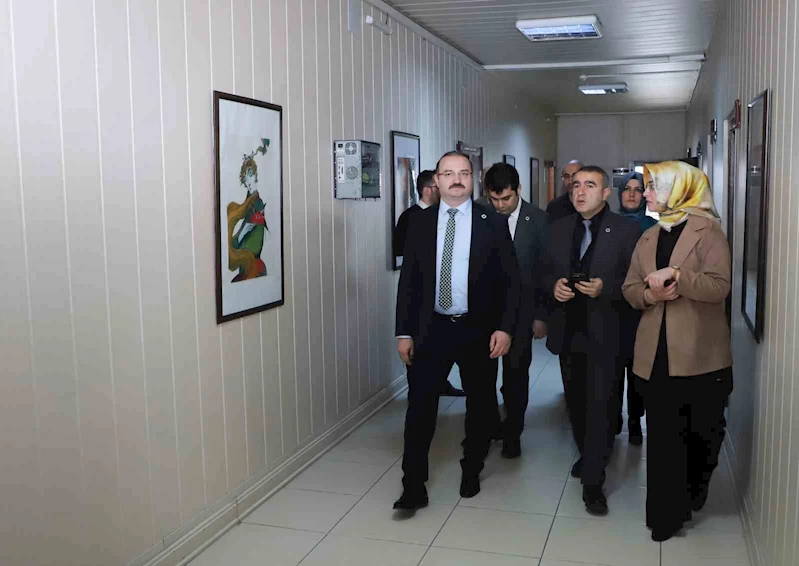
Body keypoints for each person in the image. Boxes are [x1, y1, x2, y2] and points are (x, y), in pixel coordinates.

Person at [394, 152, 520, 510]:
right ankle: (412, 486)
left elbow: (511, 282)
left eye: (463, 172)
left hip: (477, 329)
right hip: (430, 329)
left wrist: (505, 328)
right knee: (420, 408)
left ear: (473, 178)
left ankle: (472, 468)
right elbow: (409, 282)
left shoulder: (493, 222)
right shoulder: (420, 222)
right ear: (437, 180)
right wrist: (403, 332)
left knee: (480, 406)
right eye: (448, 173)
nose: (456, 180)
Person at [622, 161, 733, 542]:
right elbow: (630, 289)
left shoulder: (709, 232)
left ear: (680, 190)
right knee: (664, 439)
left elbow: (719, 287)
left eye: (654, 187)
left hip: (701, 353)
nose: (646, 194)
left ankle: (694, 491)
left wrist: (679, 277)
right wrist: (650, 295)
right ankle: (664, 517)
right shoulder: (648, 237)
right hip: (656, 354)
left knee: (705, 433)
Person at [542, 166, 641, 516]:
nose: (580, 192)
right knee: (577, 403)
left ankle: (594, 482)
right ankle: (588, 454)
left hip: (608, 331)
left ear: (606, 193)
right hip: (569, 331)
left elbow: (638, 281)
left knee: (602, 403)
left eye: (590, 185)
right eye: (576, 186)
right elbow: (541, 272)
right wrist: (553, 287)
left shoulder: (627, 231)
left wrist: (606, 288)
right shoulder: (557, 229)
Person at [476, 163, 550, 458]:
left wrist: (541, 315)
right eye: (494, 199)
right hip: (484, 313)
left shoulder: (539, 220)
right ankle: (489, 425)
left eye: (505, 198)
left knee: (516, 376)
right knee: (482, 376)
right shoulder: (478, 212)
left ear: (518, 189)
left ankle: (513, 432)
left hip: (522, 311)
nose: (500, 205)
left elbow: (545, 271)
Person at [393, 170, 465, 397]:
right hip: (424, 303)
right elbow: (404, 257)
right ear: (427, 190)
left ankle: (442, 384)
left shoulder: (449, 217)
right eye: (437, 186)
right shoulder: (412, 218)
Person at [614, 171, 656, 444]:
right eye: (627, 189)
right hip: (612, 306)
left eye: (637, 189)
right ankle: (613, 417)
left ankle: (634, 419)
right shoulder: (609, 224)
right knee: (613, 366)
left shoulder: (653, 228)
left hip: (642, 308)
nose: (631, 194)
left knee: (638, 368)